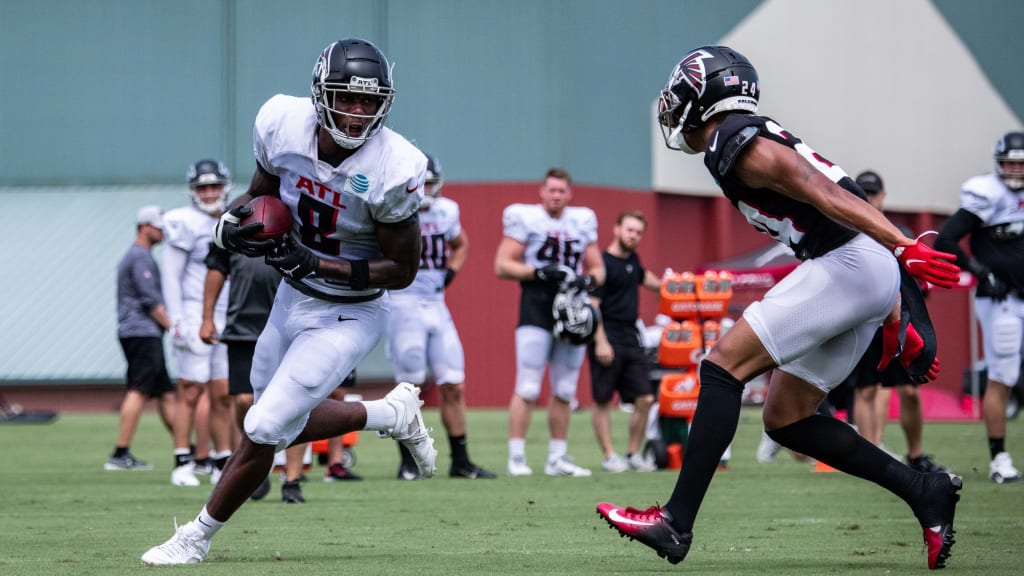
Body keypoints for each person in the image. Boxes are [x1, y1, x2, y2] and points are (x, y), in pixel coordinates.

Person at [596, 45, 963, 570]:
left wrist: (901, 246)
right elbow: (834, 192)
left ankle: (675, 522)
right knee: (786, 416)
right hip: (861, 268)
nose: (671, 106)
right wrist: (892, 301)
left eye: (679, 93)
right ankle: (923, 490)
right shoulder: (742, 134)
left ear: (704, 93)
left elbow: (820, 190)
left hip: (849, 261)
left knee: (722, 366)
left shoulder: (730, 136)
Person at [141, 37, 436, 565]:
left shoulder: (395, 166)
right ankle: (390, 414)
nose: (357, 111)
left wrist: (317, 261)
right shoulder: (282, 123)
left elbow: (404, 270)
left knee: (262, 426)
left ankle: (195, 537)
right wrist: (233, 223)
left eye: (370, 101)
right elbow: (262, 195)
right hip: (291, 297)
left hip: (351, 309)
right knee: (270, 421)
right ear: (322, 93)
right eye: (348, 97)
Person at [387, 153, 496, 480]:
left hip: (436, 303)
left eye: (431, 183)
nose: (427, 190)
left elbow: (460, 244)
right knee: (408, 386)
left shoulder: (447, 211)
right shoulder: (391, 210)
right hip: (403, 303)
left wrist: (451, 271)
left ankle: (460, 460)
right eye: (423, 183)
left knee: (454, 384)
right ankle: (408, 461)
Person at [201, 242, 334, 504]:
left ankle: (292, 479)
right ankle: (258, 464)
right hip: (242, 326)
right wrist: (206, 317)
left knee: (295, 404)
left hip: (289, 324)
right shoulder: (235, 222)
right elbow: (215, 269)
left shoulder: (296, 219)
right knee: (242, 400)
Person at [495, 167, 605, 478]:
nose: (556, 196)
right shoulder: (525, 217)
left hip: (572, 306)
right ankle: (516, 456)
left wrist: (586, 279)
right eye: (551, 190)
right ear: (542, 192)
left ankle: (557, 457)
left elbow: (599, 270)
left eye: (561, 191)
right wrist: (537, 273)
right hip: (537, 305)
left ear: (569, 194)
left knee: (566, 389)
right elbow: (502, 264)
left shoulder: (581, 220)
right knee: (528, 386)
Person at [936, 131, 1024, 484]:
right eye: (1010, 163)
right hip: (1001, 301)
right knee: (1003, 376)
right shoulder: (986, 194)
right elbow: (946, 238)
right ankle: (999, 458)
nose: (1016, 170)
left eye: (1022, 163)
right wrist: (979, 271)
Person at [847, 170, 949, 474]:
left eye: (872, 193)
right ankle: (868, 457)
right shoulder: (847, 231)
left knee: (910, 390)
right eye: (862, 193)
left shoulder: (898, 231)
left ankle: (916, 455)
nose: (869, 198)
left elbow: (917, 282)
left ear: (883, 195)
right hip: (866, 321)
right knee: (866, 389)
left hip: (900, 320)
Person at [161, 159, 236, 487]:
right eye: (203, 187)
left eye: (214, 186)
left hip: (227, 314)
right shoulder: (183, 222)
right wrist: (175, 319)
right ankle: (182, 460)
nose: (209, 193)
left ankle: (222, 459)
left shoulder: (233, 219)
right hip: (193, 312)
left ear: (225, 187)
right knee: (190, 390)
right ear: (192, 191)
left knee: (222, 392)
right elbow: (171, 274)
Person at [588, 210, 662, 473]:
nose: (634, 236)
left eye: (639, 232)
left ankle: (632, 454)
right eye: (629, 230)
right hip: (606, 337)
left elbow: (647, 279)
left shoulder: (633, 261)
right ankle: (609, 457)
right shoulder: (602, 264)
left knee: (644, 398)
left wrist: (669, 287)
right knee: (602, 400)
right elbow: (592, 306)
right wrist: (600, 342)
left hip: (632, 339)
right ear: (616, 229)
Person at [106, 206, 175, 470]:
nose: (162, 232)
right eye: (158, 227)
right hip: (141, 332)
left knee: (166, 393)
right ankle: (120, 452)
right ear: (144, 227)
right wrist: (174, 328)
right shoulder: (140, 257)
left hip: (142, 332)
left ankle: (187, 450)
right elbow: (151, 301)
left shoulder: (137, 256)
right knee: (139, 389)